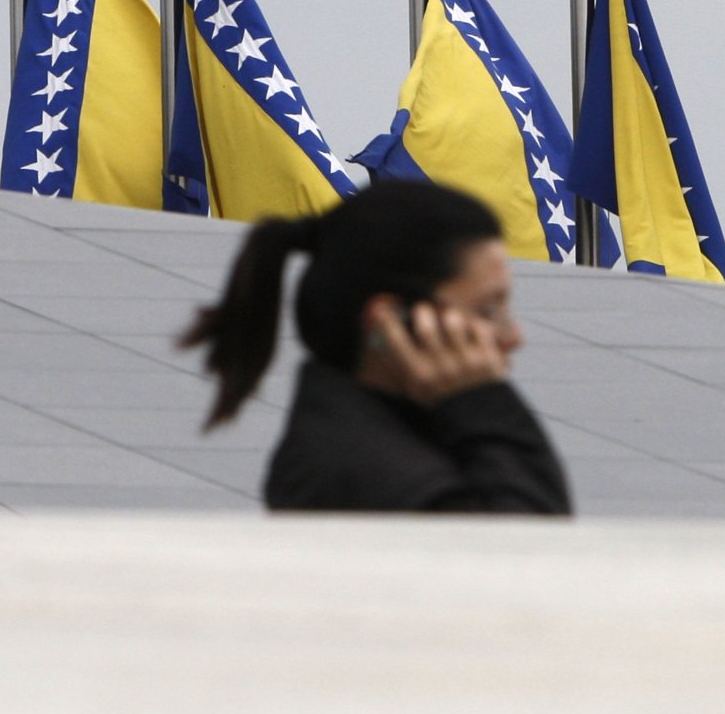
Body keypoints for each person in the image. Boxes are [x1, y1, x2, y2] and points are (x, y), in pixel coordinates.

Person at [179, 180, 571, 514]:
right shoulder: (369, 474)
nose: (512, 336)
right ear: (388, 320)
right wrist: (485, 403)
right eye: (487, 309)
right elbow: (531, 557)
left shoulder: (393, 434)